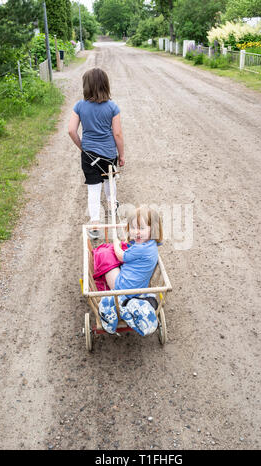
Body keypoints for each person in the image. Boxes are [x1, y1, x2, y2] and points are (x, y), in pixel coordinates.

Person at [68, 67, 125, 238]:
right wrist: (121, 155)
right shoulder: (112, 107)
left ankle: (94, 224)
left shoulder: (79, 106)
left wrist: (83, 148)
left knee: (93, 188)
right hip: (108, 154)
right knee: (109, 181)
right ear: (105, 85)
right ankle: (112, 208)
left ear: (86, 86)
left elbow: (71, 130)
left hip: (89, 155)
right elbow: (117, 134)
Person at [98, 205, 163, 336]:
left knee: (106, 259)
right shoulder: (152, 244)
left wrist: (116, 243)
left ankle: (116, 299)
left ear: (153, 229)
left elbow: (120, 255)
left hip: (122, 285)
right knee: (116, 260)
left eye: (141, 228)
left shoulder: (140, 248)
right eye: (133, 228)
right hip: (140, 286)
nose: (136, 232)